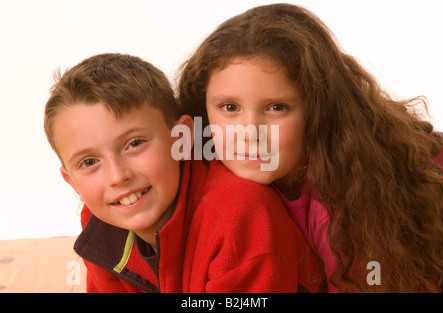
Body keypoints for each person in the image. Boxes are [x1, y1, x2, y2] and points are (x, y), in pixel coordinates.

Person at [177, 3, 443, 292]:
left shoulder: (347, 197)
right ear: (202, 109)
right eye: (229, 107)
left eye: (277, 107)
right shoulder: (203, 160)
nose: (249, 133)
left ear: (317, 110)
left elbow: (377, 282)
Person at [43, 52, 324, 293]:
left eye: (135, 144)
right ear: (72, 181)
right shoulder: (101, 226)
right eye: (89, 162)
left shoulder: (241, 216)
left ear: (182, 139)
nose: (118, 176)